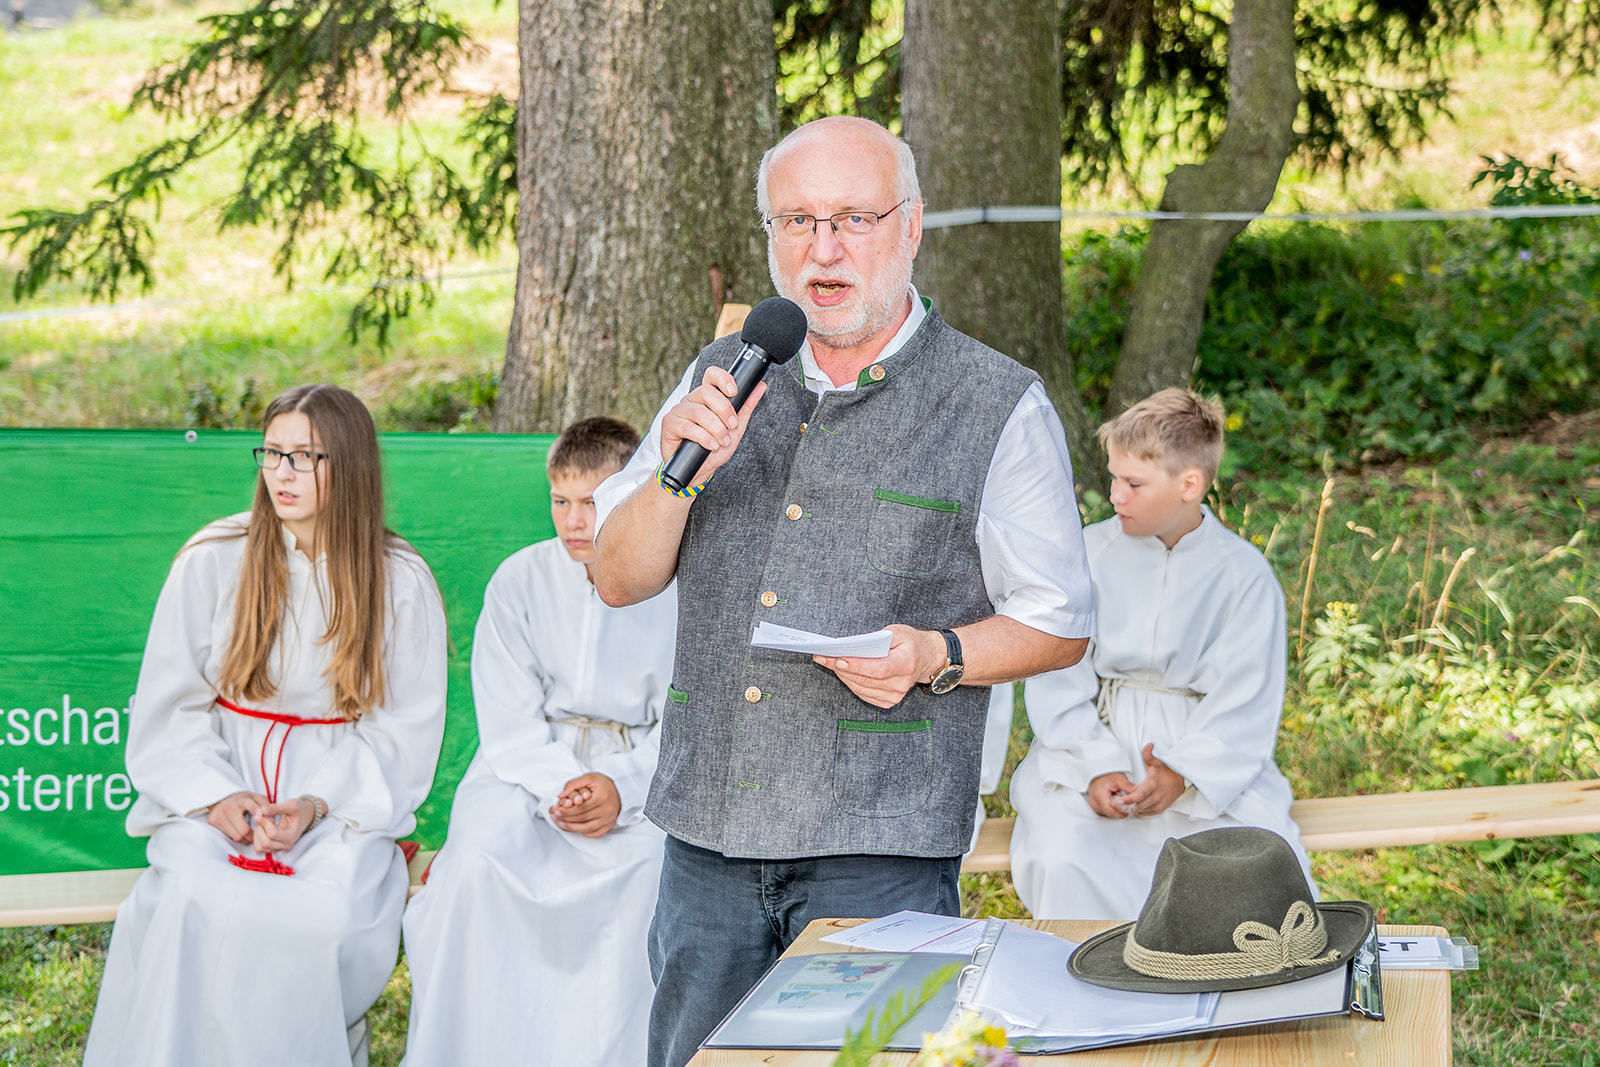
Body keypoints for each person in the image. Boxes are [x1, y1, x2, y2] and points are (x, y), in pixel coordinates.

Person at [590, 115, 1096, 1067]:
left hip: (881, 842)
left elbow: (1060, 621)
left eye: (853, 219)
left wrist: (935, 656)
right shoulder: (719, 378)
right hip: (710, 829)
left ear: (910, 227)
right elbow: (617, 577)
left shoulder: (996, 400)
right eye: (796, 222)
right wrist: (674, 479)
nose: (823, 250)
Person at [84, 384, 448, 1067]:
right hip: (218, 794)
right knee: (192, 893)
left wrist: (313, 804)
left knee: (325, 915)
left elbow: (402, 734)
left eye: (304, 457)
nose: (281, 472)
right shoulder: (214, 558)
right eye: (272, 453)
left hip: (340, 808)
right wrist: (216, 796)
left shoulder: (398, 579)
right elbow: (171, 705)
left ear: (350, 466)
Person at [399, 416, 677, 1066]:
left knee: (645, 876)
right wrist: (562, 785)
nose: (574, 520)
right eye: (561, 500)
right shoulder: (519, 580)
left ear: (633, 491)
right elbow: (508, 717)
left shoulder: (673, 584)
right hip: (524, 770)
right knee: (475, 868)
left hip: (641, 776)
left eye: (592, 500)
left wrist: (621, 787)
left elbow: (685, 719)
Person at [1009, 388, 1313, 921]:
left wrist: (1182, 773)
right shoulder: (1085, 555)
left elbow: (1247, 698)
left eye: (1133, 484)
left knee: (1246, 866)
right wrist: (1095, 768)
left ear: (1188, 485)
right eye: (1113, 479)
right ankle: (1093, 982)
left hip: (1202, 754)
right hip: (1094, 738)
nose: (1115, 496)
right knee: (1065, 854)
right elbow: (1058, 672)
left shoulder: (1242, 575)